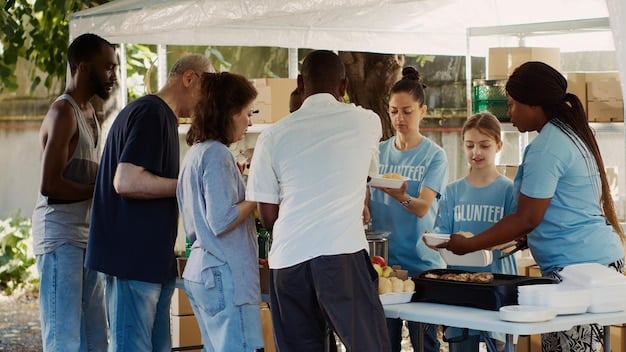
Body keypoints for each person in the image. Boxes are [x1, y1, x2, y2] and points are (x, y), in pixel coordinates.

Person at [442, 61, 626, 352]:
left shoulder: (547, 147)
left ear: (534, 104)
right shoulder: (567, 136)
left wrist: (470, 244)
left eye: (513, 105)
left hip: (582, 267)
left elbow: (526, 217)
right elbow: (562, 207)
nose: (509, 113)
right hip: (589, 262)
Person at [246, 50, 390, 351]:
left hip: (288, 258)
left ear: (300, 83)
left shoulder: (272, 135)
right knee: (368, 345)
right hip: (342, 252)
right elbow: (363, 175)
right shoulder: (367, 122)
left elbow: (268, 213)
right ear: (344, 86)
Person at [86, 54, 214, 351]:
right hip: (132, 261)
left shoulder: (161, 116)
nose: (207, 102)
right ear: (189, 78)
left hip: (153, 262)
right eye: (206, 91)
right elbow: (126, 181)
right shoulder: (151, 113)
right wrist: (189, 185)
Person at [31, 33, 117, 352]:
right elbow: (49, 185)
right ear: (83, 67)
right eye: (107, 68)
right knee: (63, 339)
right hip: (60, 238)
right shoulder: (62, 112)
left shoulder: (90, 113)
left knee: (95, 338)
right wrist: (98, 192)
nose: (113, 76)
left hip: (86, 237)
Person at [176, 72, 264, 351]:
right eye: (246, 113)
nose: (249, 122)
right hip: (224, 274)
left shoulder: (195, 153)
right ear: (228, 113)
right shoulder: (217, 154)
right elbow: (221, 219)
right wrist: (257, 192)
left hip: (203, 270)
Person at [368, 66, 448, 352]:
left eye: (407, 111)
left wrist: (398, 195)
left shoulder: (434, 155)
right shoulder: (377, 151)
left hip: (420, 265)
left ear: (422, 111)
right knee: (383, 343)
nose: (399, 119)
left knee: (425, 344)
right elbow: (364, 200)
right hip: (384, 266)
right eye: (393, 111)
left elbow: (423, 207)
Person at [433, 112, 517, 352]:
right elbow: (443, 233)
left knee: (500, 345)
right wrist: (435, 240)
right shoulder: (452, 191)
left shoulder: (509, 191)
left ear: (499, 146)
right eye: (470, 146)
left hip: (498, 286)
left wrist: (486, 244)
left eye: (484, 145)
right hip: (461, 287)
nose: (476, 152)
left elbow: (515, 236)